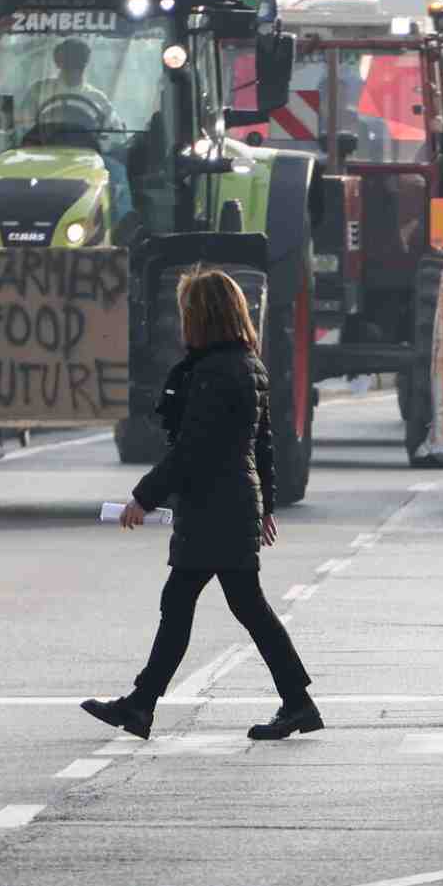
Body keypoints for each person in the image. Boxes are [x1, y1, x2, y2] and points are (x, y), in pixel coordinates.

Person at [81, 269, 320, 742]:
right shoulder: (246, 363)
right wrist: (266, 505)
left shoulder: (215, 373)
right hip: (231, 502)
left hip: (217, 505)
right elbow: (263, 446)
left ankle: (144, 705)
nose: (182, 319)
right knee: (224, 604)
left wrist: (142, 497)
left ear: (203, 315)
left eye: (187, 310)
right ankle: (292, 702)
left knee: (206, 603)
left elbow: (192, 449)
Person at [21, 38, 112, 138]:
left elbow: (114, 134)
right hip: (42, 151)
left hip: (86, 151)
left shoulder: (98, 99)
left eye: (78, 61)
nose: (73, 67)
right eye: (68, 61)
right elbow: (22, 128)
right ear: (58, 62)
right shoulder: (38, 91)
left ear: (86, 63)